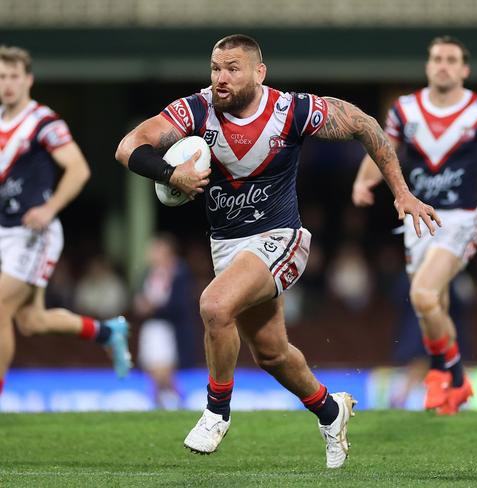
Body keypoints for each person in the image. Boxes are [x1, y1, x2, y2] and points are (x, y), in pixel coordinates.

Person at [115, 34, 440, 468]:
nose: (221, 78)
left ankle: (216, 412)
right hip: (227, 246)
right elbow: (128, 147)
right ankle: (331, 410)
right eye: (215, 68)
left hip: (281, 239)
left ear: (258, 72)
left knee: (213, 305)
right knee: (271, 353)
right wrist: (171, 173)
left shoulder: (292, 111)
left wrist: (401, 192)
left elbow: (364, 124)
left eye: (232, 68)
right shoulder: (196, 109)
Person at [352, 36, 477, 414]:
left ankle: (445, 376)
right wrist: (363, 180)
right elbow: (384, 150)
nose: (443, 65)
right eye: (437, 59)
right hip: (417, 221)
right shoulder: (404, 109)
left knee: (423, 295)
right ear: (428, 66)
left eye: (451, 59)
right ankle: (453, 379)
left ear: (464, 69)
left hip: (461, 219)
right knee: (436, 307)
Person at [0, 45, 132, 395]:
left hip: (34, 232)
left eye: (14, 76)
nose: (8, 84)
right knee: (31, 321)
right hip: (5, 230)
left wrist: (49, 208)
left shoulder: (42, 122)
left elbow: (78, 169)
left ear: (28, 80)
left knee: (0, 307)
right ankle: (108, 333)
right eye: (1, 77)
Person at [134, 233, 197, 409]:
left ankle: (175, 400)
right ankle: (161, 404)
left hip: (169, 328)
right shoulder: (148, 273)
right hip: (151, 326)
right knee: (152, 369)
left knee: (163, 370)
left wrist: (154, 307)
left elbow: (181, 303)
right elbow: (140, 295)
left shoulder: (179, 271)